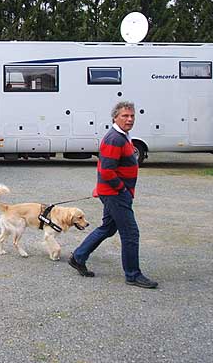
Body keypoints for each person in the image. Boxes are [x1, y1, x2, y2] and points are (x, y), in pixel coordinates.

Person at [68, 101, 158, 289]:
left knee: (108, 228)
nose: (130, 119)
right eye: (125, 116)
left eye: (132, 115)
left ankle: (78, 257)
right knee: (130, 233)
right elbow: (107, 170)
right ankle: (133, 274)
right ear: (115, 117)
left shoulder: (123, 136)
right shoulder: (115, 138)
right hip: (115, 194)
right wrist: (122, 189)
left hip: (114, 193)